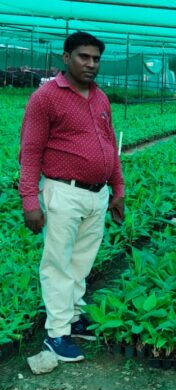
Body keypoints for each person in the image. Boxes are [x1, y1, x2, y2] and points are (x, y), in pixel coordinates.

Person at [19, 31, 125, 362]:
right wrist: (29, 201)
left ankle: (74, 316)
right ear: (66, 58)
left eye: (96, 59)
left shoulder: (100, 97)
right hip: (63, 191)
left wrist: (118, 189)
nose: (91, 64)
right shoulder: (45, 97)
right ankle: (56, 334)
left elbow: (110, 145)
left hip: (96, 195)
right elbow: (30, 150)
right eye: (84, 57)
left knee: (82, 261)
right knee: (57, 264)